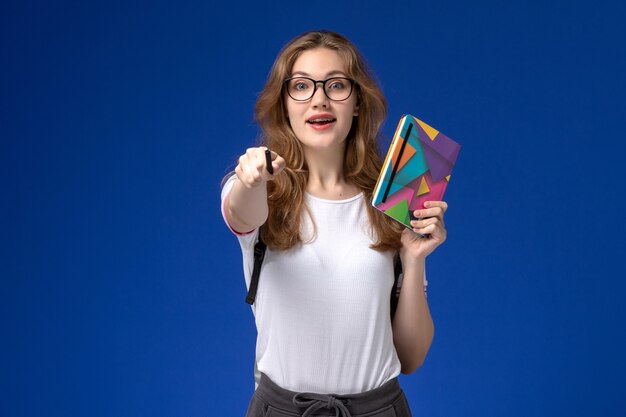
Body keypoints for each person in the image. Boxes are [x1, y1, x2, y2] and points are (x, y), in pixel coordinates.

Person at [221, 30, 448, 417]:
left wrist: (414, 259)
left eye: (336, 85)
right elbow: (242, 212)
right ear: (284, 105)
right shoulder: (260, 191)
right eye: (302, 86)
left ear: (357, 102)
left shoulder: (393, 199)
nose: (319, 99)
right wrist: (249, 179)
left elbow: (410, 358)